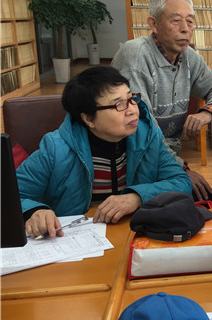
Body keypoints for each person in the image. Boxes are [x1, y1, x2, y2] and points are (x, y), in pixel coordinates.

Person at [17, 67, 192, 239]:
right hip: (75, 241)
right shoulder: (55, 148)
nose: (132, 110)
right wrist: (34, 211)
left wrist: (137, 197)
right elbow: (11, 195)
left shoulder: (147, 137)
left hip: (134, 234)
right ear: (88, 118)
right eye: (119, 104)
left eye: (131, 98)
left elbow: (181, 182)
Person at [112, 0, 212, 201]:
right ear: (153, 24)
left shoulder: (189, 57)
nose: (185, 28)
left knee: (209, 202)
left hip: (165, 159)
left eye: (190, 21)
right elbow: (143, 128)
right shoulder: (135, 56)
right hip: (133, 160)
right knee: (196, 200)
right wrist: (182, 170)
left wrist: (207, 113)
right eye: (176, 21)